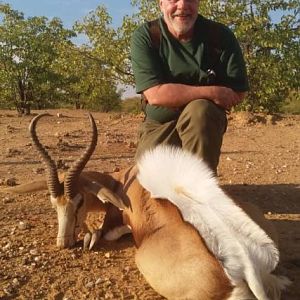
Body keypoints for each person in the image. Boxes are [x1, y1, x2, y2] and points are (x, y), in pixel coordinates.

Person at [130, 0, 249, 174]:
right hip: (159, 125)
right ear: (161, 4)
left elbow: (238, 92)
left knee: (199, 111)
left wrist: (184, 96)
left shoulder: (219, 35)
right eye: (173, 0)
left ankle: (200, 194)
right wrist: (212, 92)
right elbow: (155, 95)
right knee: (147, 188)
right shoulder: (146, 36)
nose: (183, 5)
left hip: (201, 127)